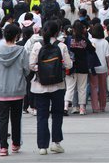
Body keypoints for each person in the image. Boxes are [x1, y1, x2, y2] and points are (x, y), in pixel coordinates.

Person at [30, 21, 72, 155]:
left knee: (41, 116)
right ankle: (56, 142)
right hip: (58, 85)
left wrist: (41, 69)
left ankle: (42, 146)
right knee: (57, 114)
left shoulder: (37, 45)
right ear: (57, 31)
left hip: (39, 86)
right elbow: (69, 65)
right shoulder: (62, 46)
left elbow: (31, 64)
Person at [0, 24, 29, 156]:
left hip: (1, 90)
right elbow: (26, 70)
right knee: (17, 118)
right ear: (17, 36)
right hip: (17, 89)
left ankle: (3, 147)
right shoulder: (22, 51)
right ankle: (16, 143)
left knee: (2, 119)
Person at [89, 24, 109, 113]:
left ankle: (95, 107)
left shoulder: (90, 41)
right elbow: (107, 55)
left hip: (93, 67)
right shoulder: (105, 42)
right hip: (103, 67)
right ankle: (102, 106)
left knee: (93, 87)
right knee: (103, 87)